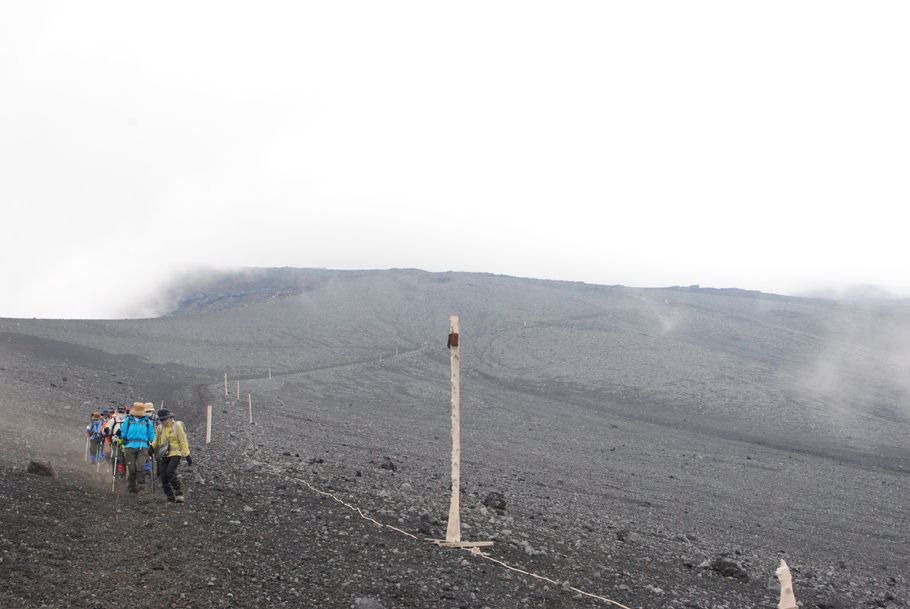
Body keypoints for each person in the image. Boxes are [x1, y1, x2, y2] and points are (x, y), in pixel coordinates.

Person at [150, 408, 192, 503]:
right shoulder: (160, 428)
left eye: (165, 419)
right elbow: (156, 440)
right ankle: (170, 496)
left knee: (170, 471)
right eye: (162, 420)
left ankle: (179, 493)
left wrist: (187, 454)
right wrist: (152, 447)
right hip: (164, 454)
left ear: (170, 417)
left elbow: (183, 440)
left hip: (175, 453)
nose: (164, 421)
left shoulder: (177, 426)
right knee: (163, 475)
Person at [120, 402, 155, 494]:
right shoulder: (128, 420)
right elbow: (123, 433)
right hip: (130, 446)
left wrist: (153, 446)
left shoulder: (147, 421)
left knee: (141, 465)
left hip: (143, 446)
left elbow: (151, 435)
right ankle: (131, 487)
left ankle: (141, 485)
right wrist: (118, 436)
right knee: (131, 467)